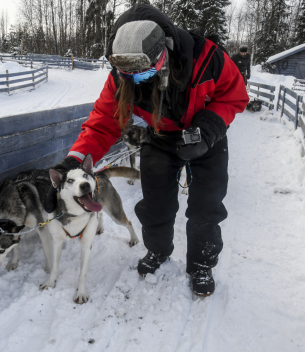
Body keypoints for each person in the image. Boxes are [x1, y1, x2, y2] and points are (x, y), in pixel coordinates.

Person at [44, 4, 249, 296]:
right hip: (161, 135)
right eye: (126, 74)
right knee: (155, 203)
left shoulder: (207, 58)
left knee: (207, 203)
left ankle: (201, 264)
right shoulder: (121, 77)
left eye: (141, 74)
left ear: (162, 53)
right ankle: (158, 250)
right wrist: (73, 161)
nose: (134, 80)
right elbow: (103, 122)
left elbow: (234, 94)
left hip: (204, 133)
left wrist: (208, 130)